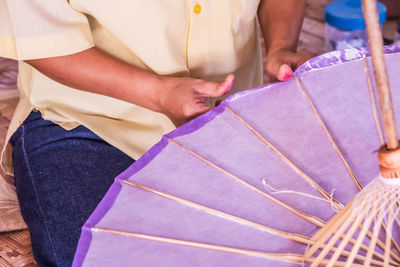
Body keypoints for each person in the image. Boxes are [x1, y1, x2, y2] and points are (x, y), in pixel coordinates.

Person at [0, 0, 308, 266]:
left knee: (287, 248)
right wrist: (159, 94)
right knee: (97, 256)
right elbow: (40, 36)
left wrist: (281, 47)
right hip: (88, 121)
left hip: (228, 118)